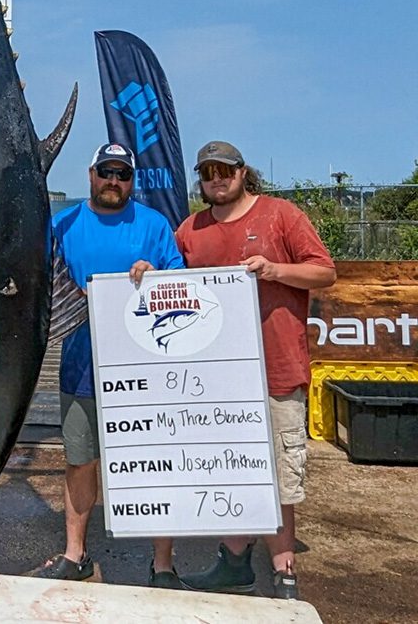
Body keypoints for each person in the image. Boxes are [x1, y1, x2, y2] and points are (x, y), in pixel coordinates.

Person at [172, 140, 336, 601]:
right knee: (229, 471)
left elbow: (325, 273)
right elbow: (170, 286)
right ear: (201, 180)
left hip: (277, 371)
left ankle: (284, 568)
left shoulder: (281, 215)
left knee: (281, 475)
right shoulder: (190, 229)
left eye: (225, 169)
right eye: (208, 172)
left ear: (244, 173)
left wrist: (274, 270)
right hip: (214, 380)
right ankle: (234, 560)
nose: (217, 178)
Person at [30, 143, 184, 586]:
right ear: (90, 174)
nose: (113, 181)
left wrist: (156, 274)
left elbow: (180, 282)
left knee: (155, 462)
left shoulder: (154, 225)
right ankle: (75, 554)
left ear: (132, 180)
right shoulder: (63, 224)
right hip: (80, 366)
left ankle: (163, 564)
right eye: (106, 172)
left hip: (146, 370)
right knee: (80, 460)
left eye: (122, 174)